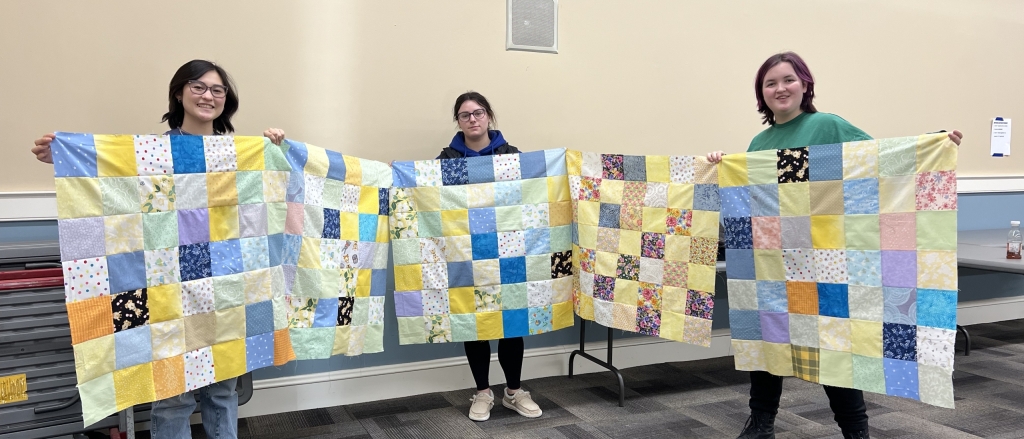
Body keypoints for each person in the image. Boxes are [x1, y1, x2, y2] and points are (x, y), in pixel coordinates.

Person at [707, 52, 962, 439]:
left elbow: (878, 162)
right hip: (773, 261)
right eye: (770, 83)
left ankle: (855, 431)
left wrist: (932, 144)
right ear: (761, 93)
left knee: (834, 345)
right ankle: (761, 423)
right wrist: (720, 163)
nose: (780, 88)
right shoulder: (760, 140)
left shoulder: (826, 125)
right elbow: (757, 196)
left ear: (805, 84)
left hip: (824, 258)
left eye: (788, 79)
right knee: (767, 341)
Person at [31, 59, 285, 439]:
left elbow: (274, 197)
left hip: (225, 289)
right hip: (171, 293)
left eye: (218, 90)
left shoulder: (238, 153)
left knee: (222, 390)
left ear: (226, 100)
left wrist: (275, 146)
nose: (208, 96)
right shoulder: (153, 153)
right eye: (198, 87)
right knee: (173, 395)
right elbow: (111, 178)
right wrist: (66, 157)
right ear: (180, 92)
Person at [439, 91, 542, 422]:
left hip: (509, 252)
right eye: (465, 114)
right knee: (476, 324)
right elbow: (429, 196)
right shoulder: (448, 159)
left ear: (489, 117)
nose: (472, 119)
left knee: (511, 322)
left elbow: (537, 191)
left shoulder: (511, 155)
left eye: (478, 112)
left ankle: (513, 391)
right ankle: (483, 391)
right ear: (458, 121)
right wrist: (399, 175)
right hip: (467, 254)